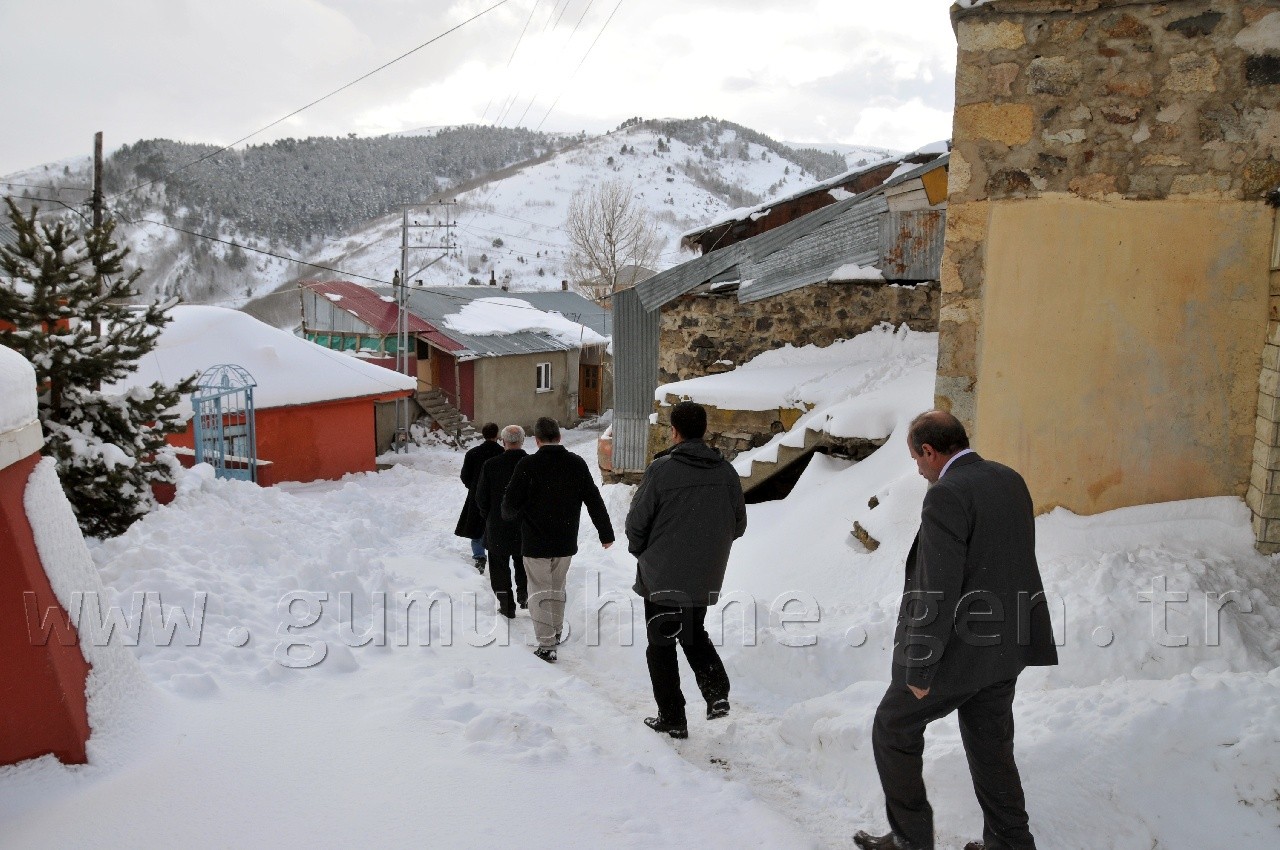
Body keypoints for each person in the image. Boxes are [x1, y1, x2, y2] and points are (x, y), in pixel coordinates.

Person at [854, 410, 1058, 850]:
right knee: (991, 747)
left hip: (960, 652)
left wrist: (920, 669)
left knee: (892, 729)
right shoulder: (1009, 479)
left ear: (929, 450)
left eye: (917, 459)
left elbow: (936, 589)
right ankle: (1011, 844)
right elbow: (1010, 559)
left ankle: (911, 841)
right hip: (1007, 646)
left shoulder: (946, 495)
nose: (919, 469)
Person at [625, 401, 746, 739]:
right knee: (692, 632)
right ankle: (716, 691)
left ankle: (673, 718)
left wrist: (641, 551)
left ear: (674, 431)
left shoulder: (661, 470)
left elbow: (637, 523)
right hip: (705, 574)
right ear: (704, 431)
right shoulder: (726, 472)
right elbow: (739, 524)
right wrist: (708, 549)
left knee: (661, 643)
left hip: (662, 575)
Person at [501, 417, 614, 662]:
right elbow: (593, 499)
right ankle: (556, 630)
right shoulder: (576, 463)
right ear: (560, 437)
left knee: (539, 591)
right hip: (564, 540)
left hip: (535, 541)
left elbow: (509, 507)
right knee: (557, 588)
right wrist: (606, 533)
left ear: (537, 440)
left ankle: (546, 644)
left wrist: (516, 513)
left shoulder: (527, 465)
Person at [475, 425, 529, 619]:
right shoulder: (530, 463)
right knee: (524, 562)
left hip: (498, 524)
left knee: (498, 567)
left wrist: (489, 515)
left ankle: (507, 606)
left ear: (503, 442)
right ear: (522, 441)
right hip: (526, 526)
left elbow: (481, 498)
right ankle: (525, 595)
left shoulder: (491, 465)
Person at [454, 423, 504, 573]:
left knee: (477, 526)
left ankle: (479, 556)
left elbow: (464, 476)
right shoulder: (502, 453)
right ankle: (497, 555)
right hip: (496, 496)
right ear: (497, 435)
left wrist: (474, 487)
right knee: (494, 525)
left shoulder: (473, 453)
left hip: (476, 495)